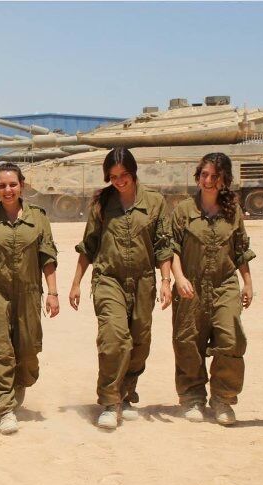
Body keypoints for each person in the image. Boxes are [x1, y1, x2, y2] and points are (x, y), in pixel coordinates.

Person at [69, 148, 173, 430]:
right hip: (109, 279)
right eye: (113, 177)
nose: (119, 181)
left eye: (123, 175)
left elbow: (163, 245)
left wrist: (166, 281)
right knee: (114, 339)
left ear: (133, 172)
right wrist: (76, 283)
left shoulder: (155, 202)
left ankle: (125, 394)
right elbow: (89, 246)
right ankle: (108, 402)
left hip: (143, 281)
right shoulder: (102, 203)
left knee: (139, 343)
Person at [0, 163, 59, 435]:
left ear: (22, 185)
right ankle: (4, 408)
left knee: (28, 349)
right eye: (2, 186)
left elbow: (48, 256)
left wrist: (52, 293)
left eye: (12, 184)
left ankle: (19, 382)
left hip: (30, 291)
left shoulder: (38, 218)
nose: (7, 190)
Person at [170, 152, 255, 426]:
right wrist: (179, 278)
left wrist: (248, 283)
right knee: (188, 342)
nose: (208, 180)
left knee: (231, 339)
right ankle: (192, 398)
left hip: (224, 284)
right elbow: (172, 248)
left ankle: (223, 399)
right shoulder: (184, 210)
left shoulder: (233, 212)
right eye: (204, 175)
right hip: (190, 286)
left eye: (214, 176)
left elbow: (240, 250)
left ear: (224, 180)